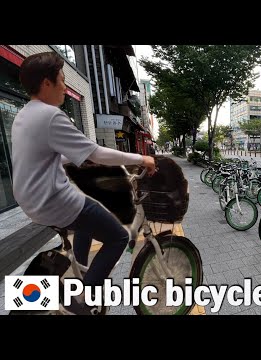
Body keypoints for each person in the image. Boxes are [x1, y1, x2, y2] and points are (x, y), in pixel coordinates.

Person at [11, 51, 156, 315]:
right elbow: (97, 152)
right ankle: (82, 303)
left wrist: (84, 159)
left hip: (30, 202)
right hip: (52, 202)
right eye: (62, 81)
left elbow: (57, 153)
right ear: (46, 83)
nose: (65, 88)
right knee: (118, 237)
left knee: (87, 217)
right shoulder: (51, 116)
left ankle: (79, 271)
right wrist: (142, 158)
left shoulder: (24, 115)